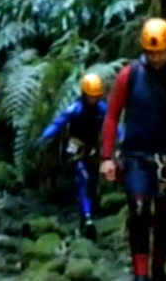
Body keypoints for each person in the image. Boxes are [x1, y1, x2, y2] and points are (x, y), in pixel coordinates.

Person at [99, 17, 166, 281]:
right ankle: (140, 275)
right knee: (139, 210)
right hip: (137, 155)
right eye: (150, 53)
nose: (155, 58)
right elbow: (112, 115)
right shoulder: (131, 74)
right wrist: (106, 157)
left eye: (160, 53)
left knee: (165, 216)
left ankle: (158, 269)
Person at [32, 73, 107, 240]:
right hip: (75, 149)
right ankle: (87, 218)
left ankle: (85, 213)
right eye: (91, 96)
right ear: (84, 94)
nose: (94, 100)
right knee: (83, 177)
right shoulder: (75, 109)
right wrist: (42, 139)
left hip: (92, 150)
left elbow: (113, 124)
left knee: (92, 182)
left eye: (97, 96)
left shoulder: (102, 108)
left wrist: (123, 137)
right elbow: (57, 124)